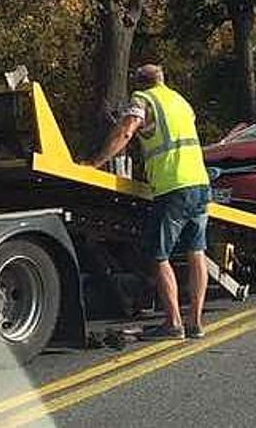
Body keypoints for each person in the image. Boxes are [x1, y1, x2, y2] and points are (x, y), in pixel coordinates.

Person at [84, 64, 210, 339]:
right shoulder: (181, 101)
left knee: (158, 254)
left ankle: (173, 323)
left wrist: (95, 163)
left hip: (172, 186)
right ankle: (195, 322)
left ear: (139, 84)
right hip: (200, 183)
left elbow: (126, 132)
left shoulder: (143, 100)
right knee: (196, 251)